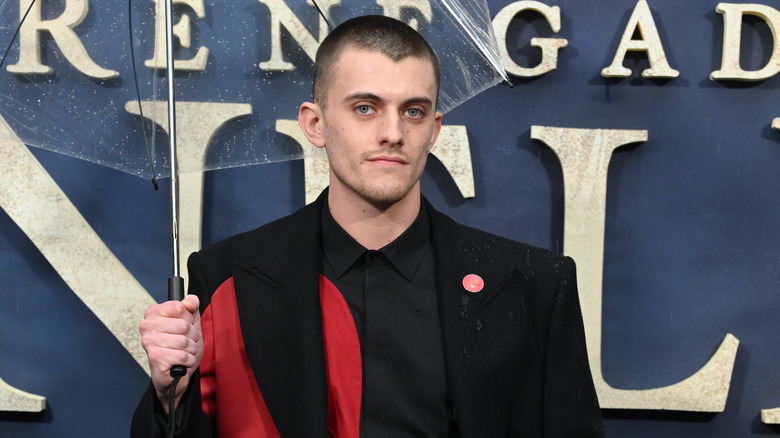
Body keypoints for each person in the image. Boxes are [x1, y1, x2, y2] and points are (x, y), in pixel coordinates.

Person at [131, 14, 604, 438]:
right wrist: (169, 393)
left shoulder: (533, 286)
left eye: (413, 111)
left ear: (434, 130)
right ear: (315, 124)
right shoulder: (229, 276)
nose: (393, 133)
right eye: (365, 108)